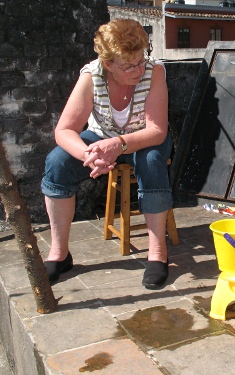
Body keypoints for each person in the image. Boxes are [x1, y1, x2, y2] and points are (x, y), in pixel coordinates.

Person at [41, 19, 173, 290]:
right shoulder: (91, 76)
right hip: (101, 138)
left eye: (140, 60)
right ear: (108, 64)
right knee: (57, 162)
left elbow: (157, 131)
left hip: (143, 138)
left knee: (151, 161)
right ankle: (59, 253)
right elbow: (64, 130)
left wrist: (120, 145)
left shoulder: (154, 71)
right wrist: (90, 154)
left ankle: (157, 253)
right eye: (128, 65)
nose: (138, 70)